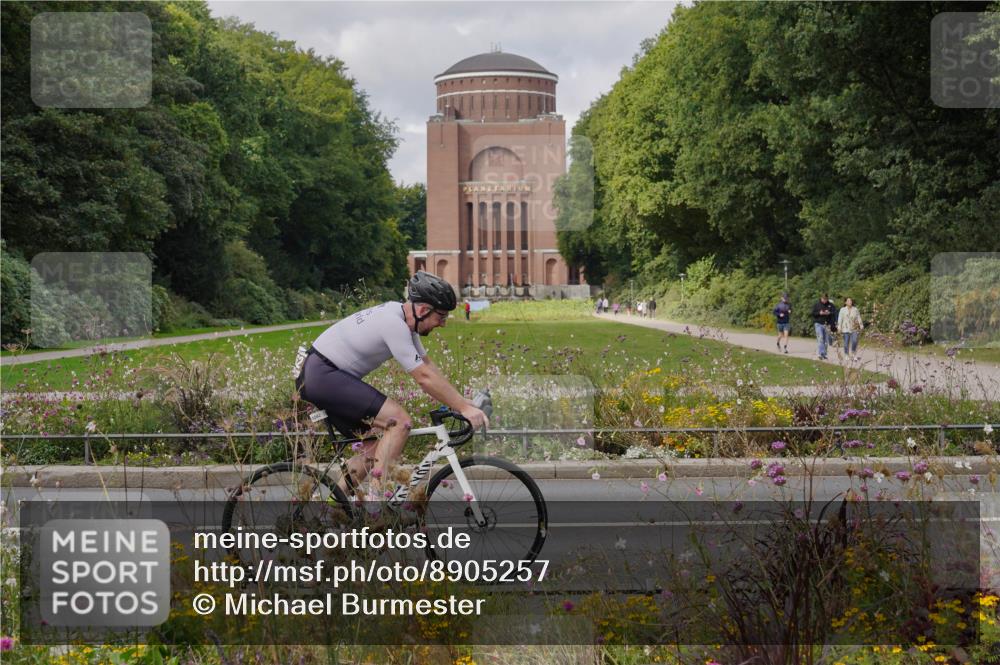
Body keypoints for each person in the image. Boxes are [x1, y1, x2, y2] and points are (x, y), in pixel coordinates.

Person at [296, 271, 489, 492]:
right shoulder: (393, 324)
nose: (442, 324)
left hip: (320, 375)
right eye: (441, 317)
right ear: (424, 310)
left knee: (371, 452)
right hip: (323, 375)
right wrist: (463, 408)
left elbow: (428, 367)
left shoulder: (403, 320)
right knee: (399, 421)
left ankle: (333, 509)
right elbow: (423, 378)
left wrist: (461, 402)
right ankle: (375, 505)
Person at [810, 294, 837, 360]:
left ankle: (824, 354)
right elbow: (813, 313)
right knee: (820, 338)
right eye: (823, 299)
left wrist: (829, 313)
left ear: (827, 298)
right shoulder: (817, 305)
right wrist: (819, 313)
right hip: (818, 324)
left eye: (826, 299)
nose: (824, 300)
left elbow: (834, 313)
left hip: (827, 325)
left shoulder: (831, 305)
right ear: (821, 298)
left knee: (825, 340)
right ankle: (820, 353)